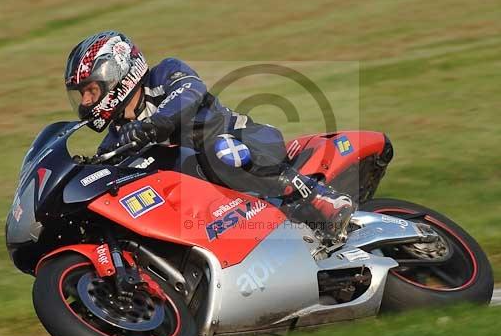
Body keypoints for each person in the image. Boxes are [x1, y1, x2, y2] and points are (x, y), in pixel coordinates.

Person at [64, 30, 355, 238]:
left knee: (221, 152)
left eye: (91, 91)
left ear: (119, 76)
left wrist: (154, 126)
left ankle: (320, 198)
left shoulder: (166, 73)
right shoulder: (117, 137)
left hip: (245, 140)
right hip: (206, 200)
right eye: (82, 95)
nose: (86, 103)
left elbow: (190, 92)